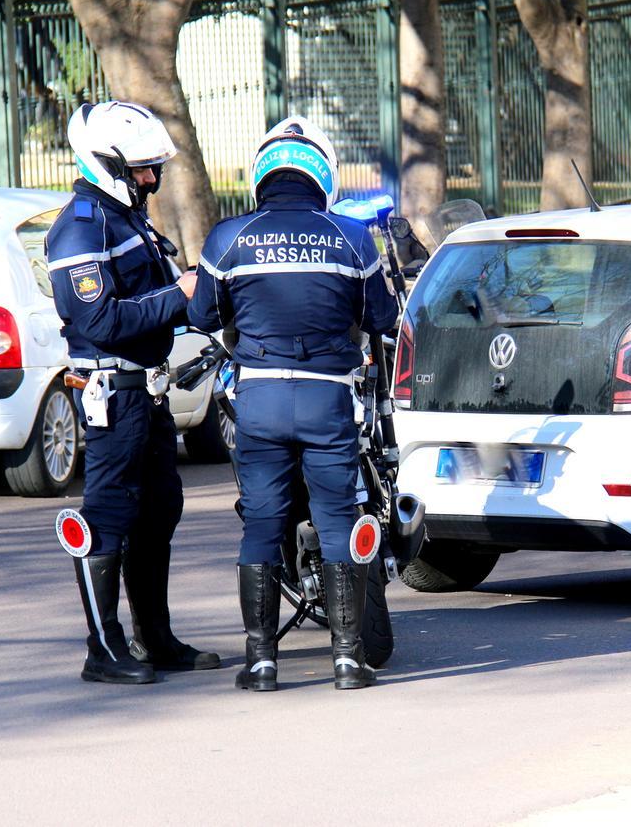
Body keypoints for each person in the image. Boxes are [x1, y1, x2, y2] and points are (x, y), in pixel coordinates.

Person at [187, 116, 398, 691]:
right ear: (321, 177)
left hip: (258, 400)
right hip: (328, 401)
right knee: (338, 523)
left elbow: (202, 317)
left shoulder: (227, 238)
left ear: (262, 176)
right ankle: (349, 661)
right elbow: (384, 318)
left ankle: (260, 664)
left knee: (261, 526)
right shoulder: (354, 237)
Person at [47, 101, 220, 684]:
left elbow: (159, 302)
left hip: (146, 391)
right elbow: (100, 322)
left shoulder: (127, 219)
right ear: (107, 164)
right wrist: (181, 295)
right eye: (142, 168)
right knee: (109, 514)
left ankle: (154, 638)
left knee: (158, 509)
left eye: (153, 166)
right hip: (111, 392)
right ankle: (104, 649)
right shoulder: (80, 227)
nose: (153, 177)